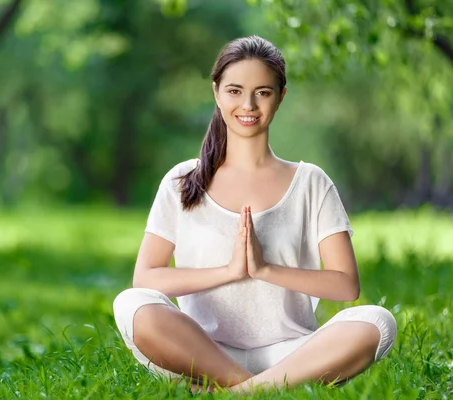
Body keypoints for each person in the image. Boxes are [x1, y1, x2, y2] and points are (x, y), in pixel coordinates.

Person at [112, 35, 397, 393]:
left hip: (292, 354)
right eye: (234, 91)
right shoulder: (181, 181)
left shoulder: (310, 182)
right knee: (131, 304)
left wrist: (264, 270)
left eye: (262, 92)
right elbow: (147, 278)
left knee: (377, 322)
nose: (248, 104)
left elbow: (345, 285)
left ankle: (237, 392)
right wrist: (229, 272)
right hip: (201, 351)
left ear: (281, 97)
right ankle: (256, 388)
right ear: (216, 92)